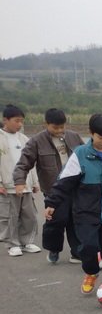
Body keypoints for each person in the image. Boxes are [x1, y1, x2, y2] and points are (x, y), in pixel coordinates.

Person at [44, 114, 102, 295]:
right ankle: (91, 271)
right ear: (91, 133)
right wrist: (52, 203)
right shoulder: (80, 154)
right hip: (86, 213)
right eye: (100, 137)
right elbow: (64, 181)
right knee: (88, 247)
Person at [13, 108, 85, 264]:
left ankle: (77, 252)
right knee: (56, 221)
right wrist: (19, 182)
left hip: (75, 187)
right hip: (54, 190)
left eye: (62, 127)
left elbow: (86, 157)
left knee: (76, 220)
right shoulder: (36, 141)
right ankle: (54, 249)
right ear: (46, 124)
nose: (59, 131)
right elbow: (23, 164)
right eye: (55, 127)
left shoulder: (74, 137)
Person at [0, 104, 41, 256]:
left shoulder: (24, 139)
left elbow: (31, 162)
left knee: (29, 215)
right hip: (8, 186)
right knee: (10, 216)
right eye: (16, 121)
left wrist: (34, 182)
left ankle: (26, 242)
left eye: (21, 121)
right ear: (5, 120)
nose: (20, 124)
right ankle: (12, 244)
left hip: (26, 185)